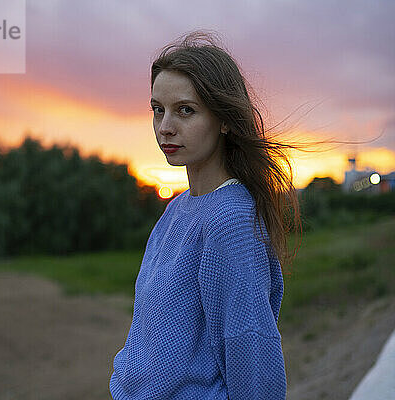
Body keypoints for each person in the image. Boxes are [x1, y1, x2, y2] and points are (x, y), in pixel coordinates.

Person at [109, 30, 300, 400]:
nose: (165, 126)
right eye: (157, 109)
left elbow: (252, 351)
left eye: (185, 110)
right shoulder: (178, 208)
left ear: (225, 120)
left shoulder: (230, 222)